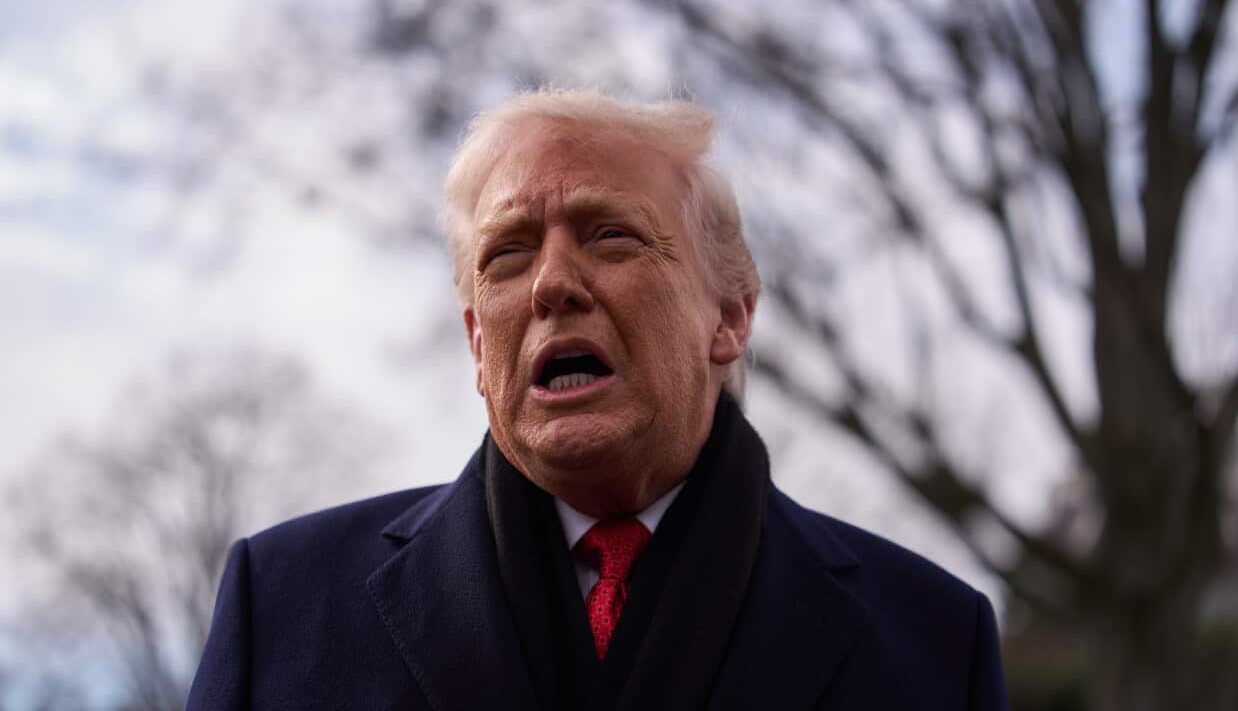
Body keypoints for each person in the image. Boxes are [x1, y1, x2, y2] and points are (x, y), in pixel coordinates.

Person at [188, 90, 1010, 710]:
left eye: (609, 235)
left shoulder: (933, 641)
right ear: (479, 344)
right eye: (506, 256)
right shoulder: (286, 606)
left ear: (729, 317)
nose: (551, 284)